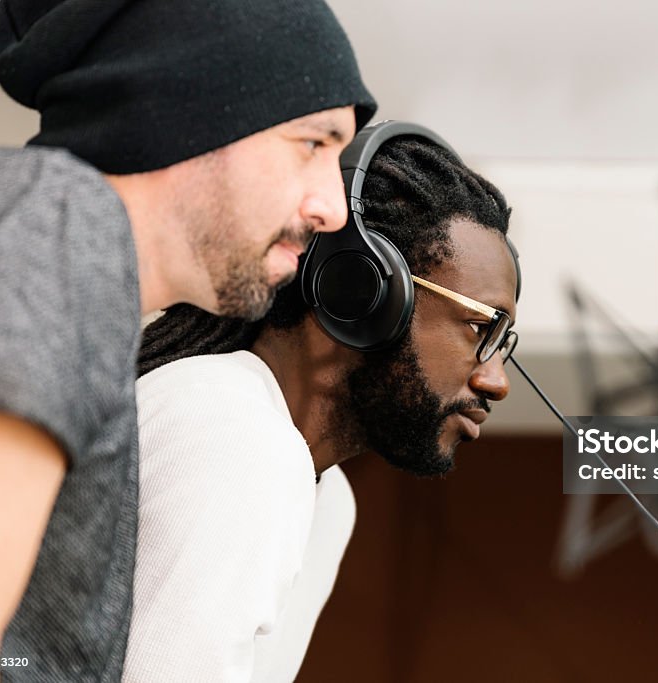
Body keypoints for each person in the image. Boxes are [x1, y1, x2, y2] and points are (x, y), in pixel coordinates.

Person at [0, 1, 375, 680]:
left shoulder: (71, 263)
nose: (331, 206)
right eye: (313, 143)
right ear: (191, 106)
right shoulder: (52, 223)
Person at [127, 130, 519, 681]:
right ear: (360, 293)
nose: (496, 381)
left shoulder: (328, 498)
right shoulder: (229, 427)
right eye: (481, 327)